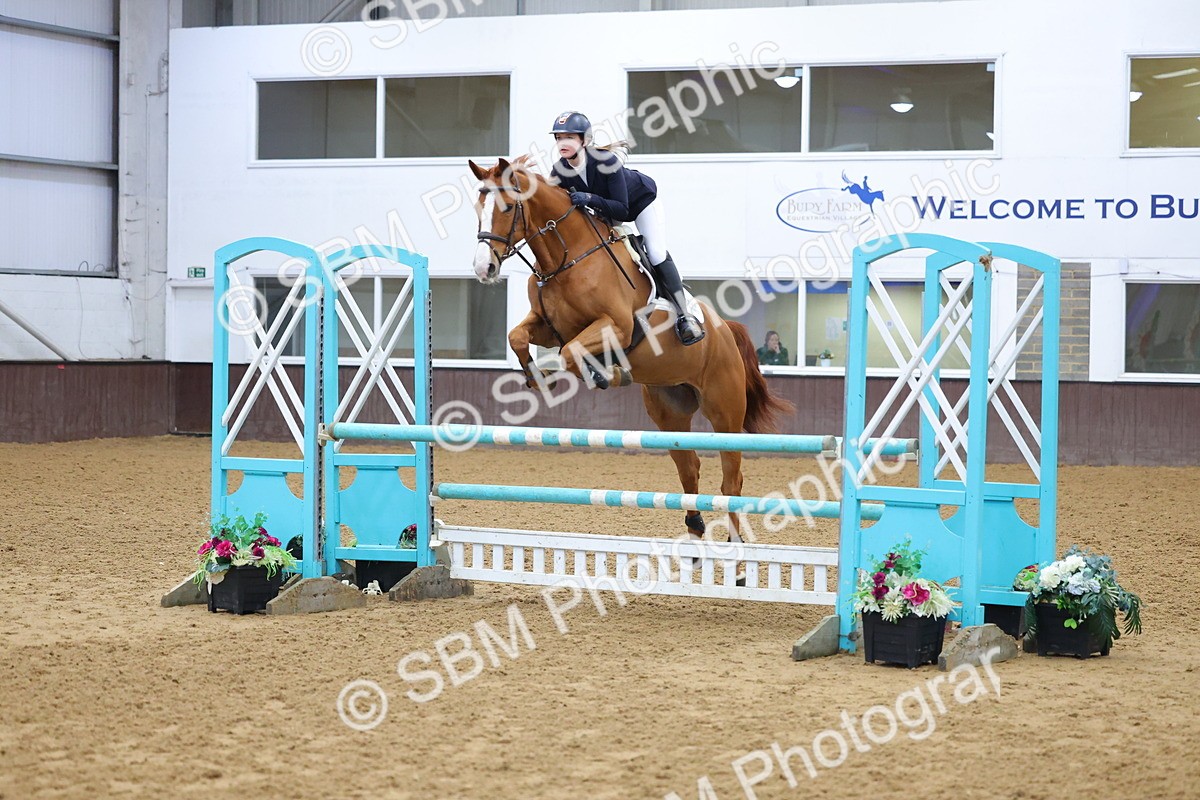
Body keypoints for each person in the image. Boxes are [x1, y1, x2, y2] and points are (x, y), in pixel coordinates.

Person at [547, 111, 704, 345]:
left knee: (656, 252)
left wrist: (589, 198)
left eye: (569, 137)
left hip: (640, 203)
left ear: (585, 140)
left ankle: (685, 315)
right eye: (559, 138)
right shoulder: (560, 170)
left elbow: (621, 209)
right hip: (604, 211)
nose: (563, 143)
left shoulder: (606, 162)